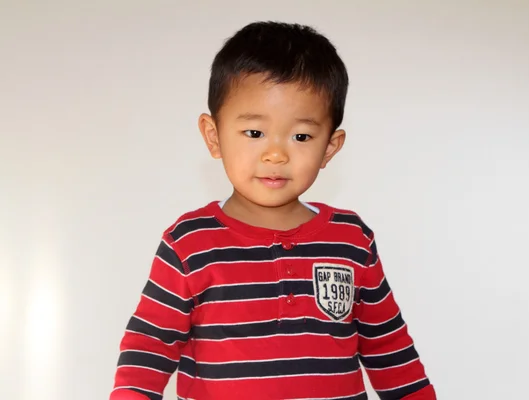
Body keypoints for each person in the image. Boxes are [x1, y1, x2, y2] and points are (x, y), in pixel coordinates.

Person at [111, 21, 436, 400]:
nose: (276, 154)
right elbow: (148, 348)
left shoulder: (352, 239)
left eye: (301, 136)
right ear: (214, 136)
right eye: (254, 133)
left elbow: (389, 347)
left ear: (330, 147)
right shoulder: (189, 243)